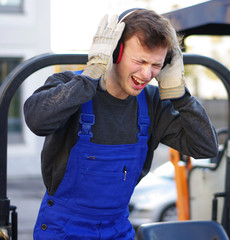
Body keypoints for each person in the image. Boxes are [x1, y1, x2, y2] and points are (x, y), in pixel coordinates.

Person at [24, 9, 218, 240]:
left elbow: (206, 148)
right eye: (140, 61)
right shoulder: (70, 85)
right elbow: (36, 120)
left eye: (156, 64)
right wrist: (90, 76)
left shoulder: (153, 103)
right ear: (115, 52)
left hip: (117, 230)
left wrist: (181, 96)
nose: (147, 73)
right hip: (63, 229)